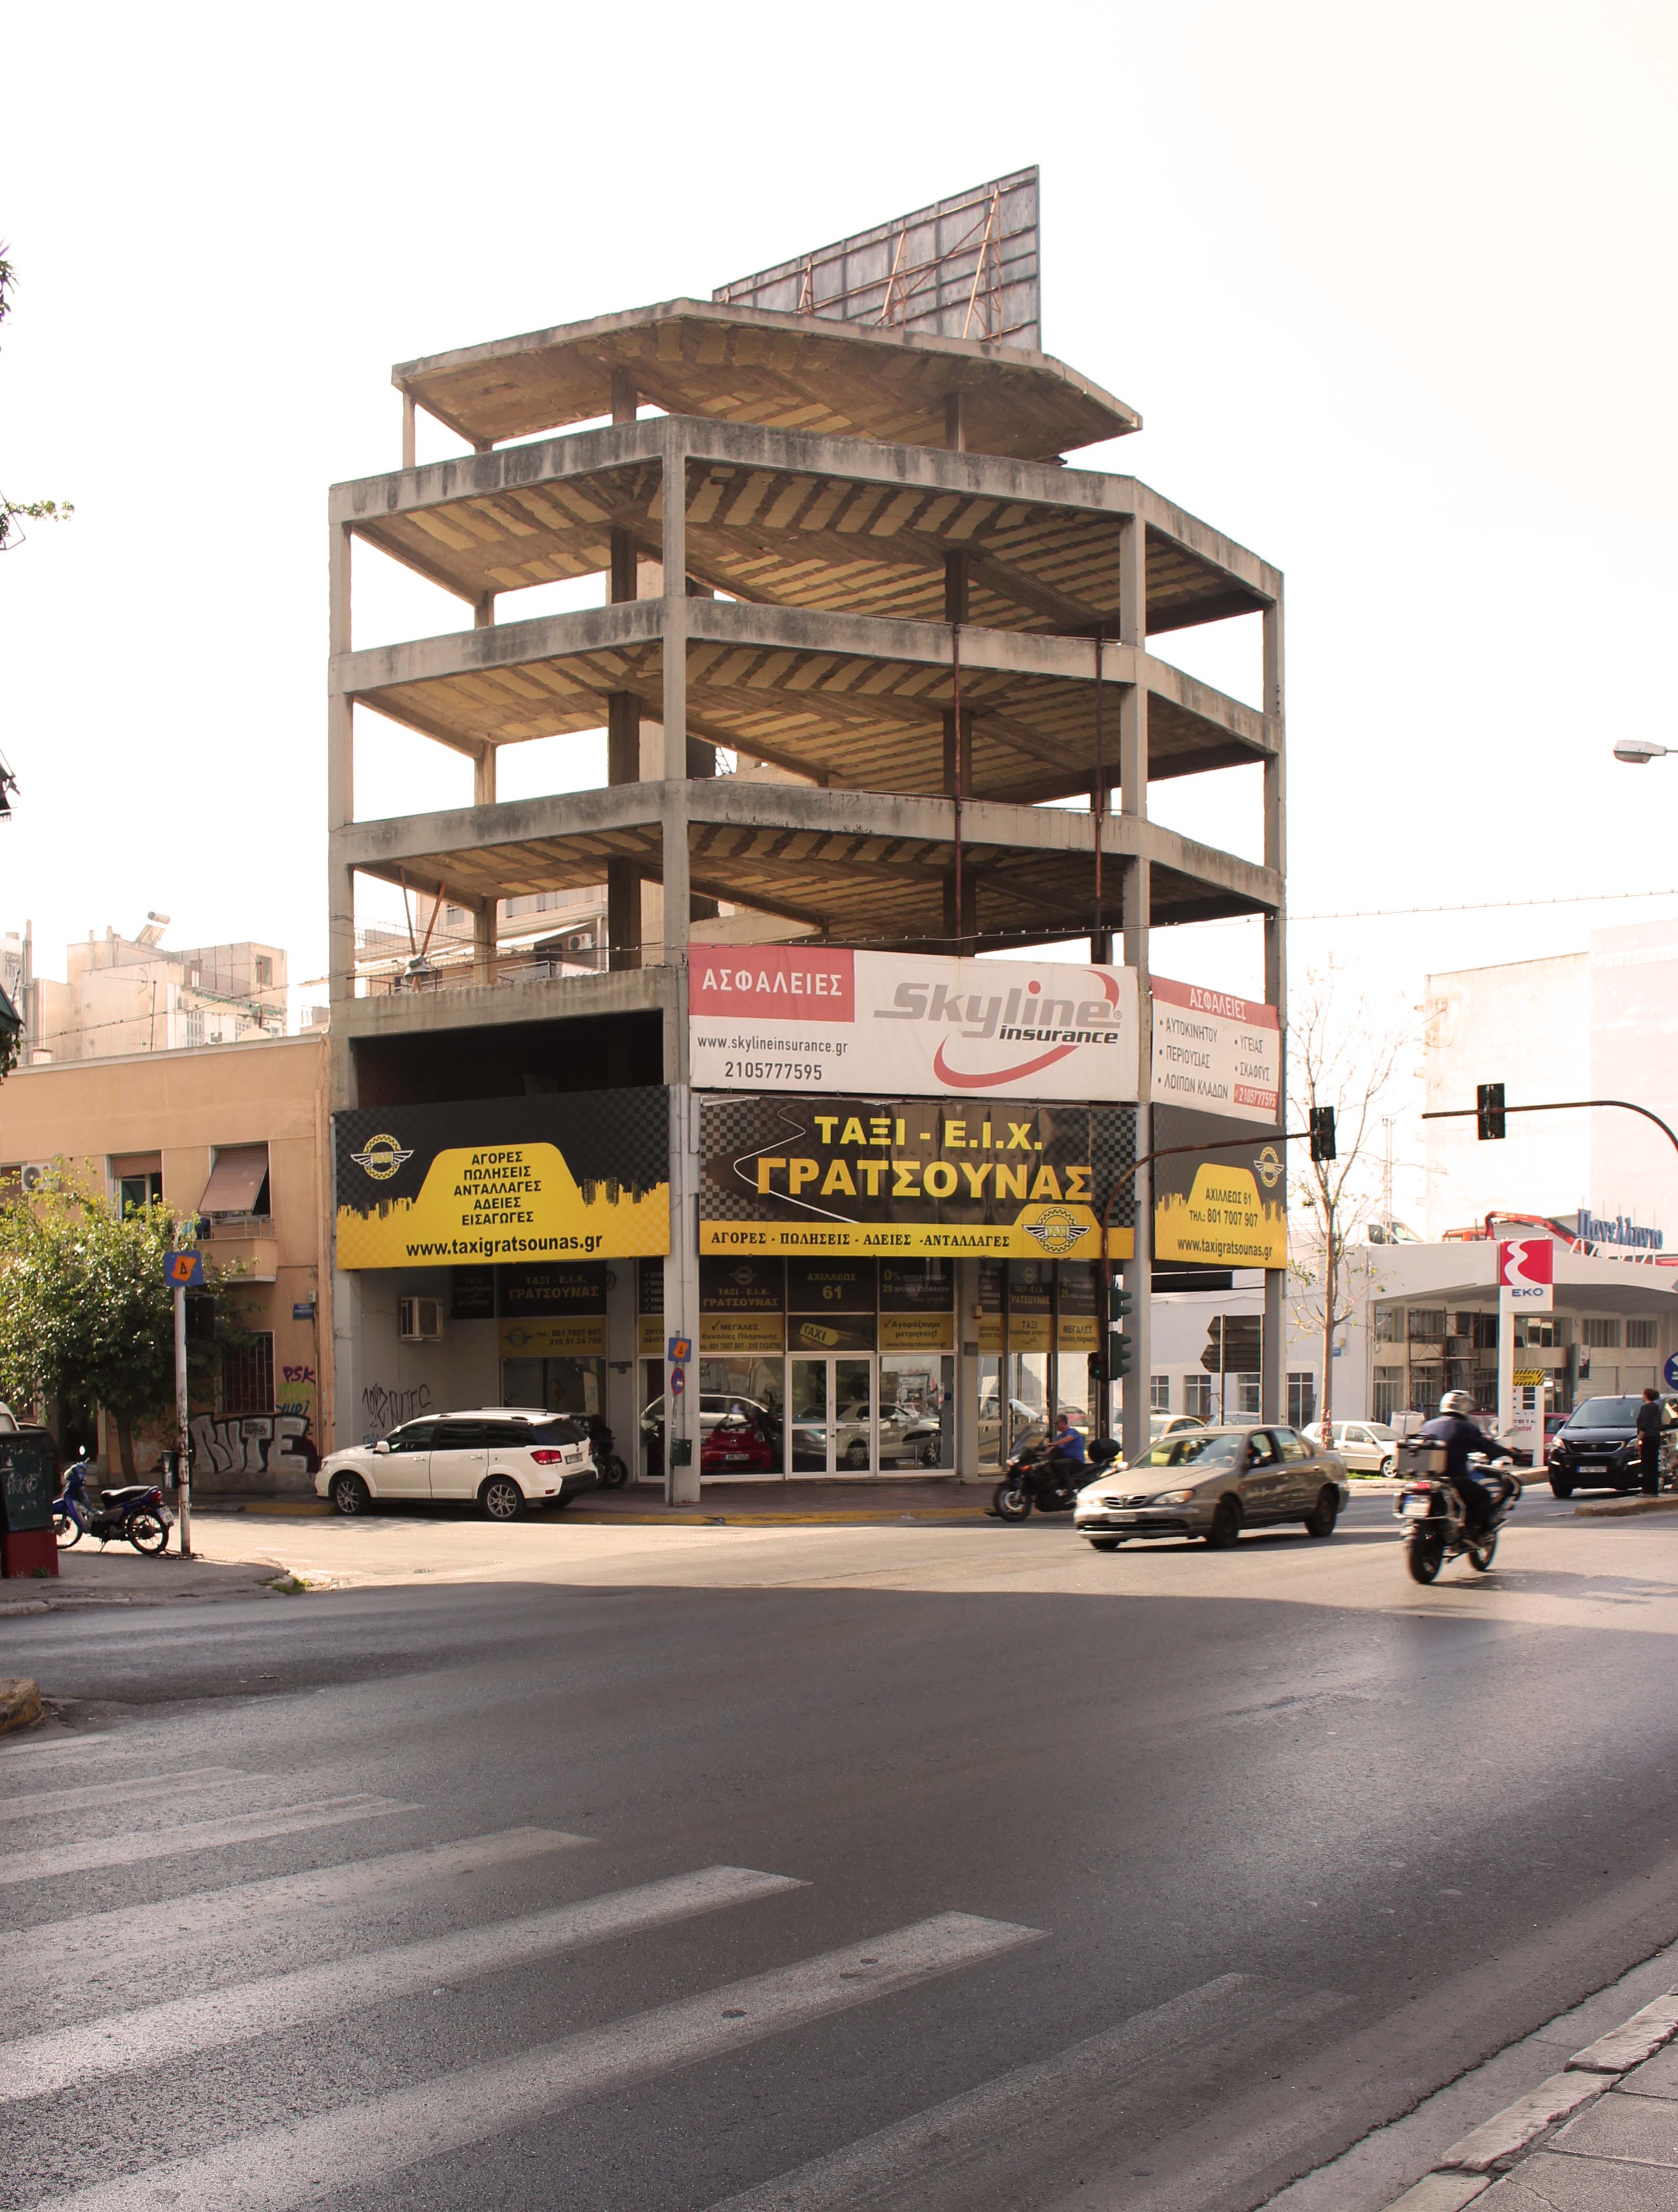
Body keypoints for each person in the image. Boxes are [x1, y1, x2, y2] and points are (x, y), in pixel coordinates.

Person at [1419, 1389, 1495, 1545]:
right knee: (1483, 1497)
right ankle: (1472, 1533)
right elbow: (1487, 1447)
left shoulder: (1429, 1425)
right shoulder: (1466, 1427)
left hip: (1427, 1479)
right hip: (1454, 1479)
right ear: (1465, 1407)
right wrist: (1510, 1453)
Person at [1635, 1387, 1663, 1497]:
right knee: (1653, 1464)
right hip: (1656, 1437)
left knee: (1646, 1465)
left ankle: (1647, 1490)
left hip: (1647, 1438)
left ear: (1646, 1396)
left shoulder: (1645, 1408)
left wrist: (1639, 1440)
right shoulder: (1656, 1408)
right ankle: (1654, 1490)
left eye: (1643, 1394)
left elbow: (1644, 1426)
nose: (1642, 1396)